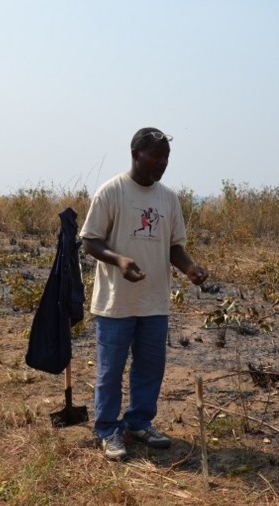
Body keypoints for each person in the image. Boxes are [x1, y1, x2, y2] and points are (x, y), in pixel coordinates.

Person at [80, 127, 208, 460]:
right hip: (115, 303)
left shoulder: (168, 198)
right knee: (111, 371)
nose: (162, 163)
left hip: (154, 302)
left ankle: (139, 423)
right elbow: (90, 240)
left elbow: (173, 246)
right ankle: (107, 430)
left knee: (150, 367)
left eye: (166, 157)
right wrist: (119, 260)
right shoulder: (112, 192)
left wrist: (190, 267)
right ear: (136, 153)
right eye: (156, 156)